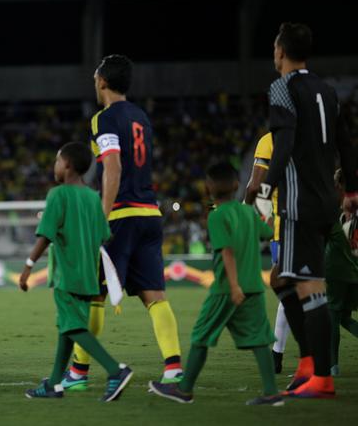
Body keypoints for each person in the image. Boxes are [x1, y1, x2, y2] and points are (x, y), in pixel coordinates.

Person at [62, 54, 182, 391]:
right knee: (155, 296)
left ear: (102, 81)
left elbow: (112, 167)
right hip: (149, 214)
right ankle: (174, 369)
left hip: (122, 216)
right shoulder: (142, 117)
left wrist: (101, 219)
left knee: (93, 296)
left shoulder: (104, 119)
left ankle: (78, 374)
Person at [256, 22, 358, 398]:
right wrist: (351, 189)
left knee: (308, 286)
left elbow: (283, 142)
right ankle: (306, 366)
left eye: (274, 48)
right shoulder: (328, 90)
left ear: (281, 51)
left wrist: (267, 186)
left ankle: (320, 377)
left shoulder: (282, 87)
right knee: (282, 279)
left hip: (299, 202)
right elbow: (346, 142)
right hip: (327, 201)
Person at [149, 162, 281, 406]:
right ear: (235, 185)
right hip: (253, 286)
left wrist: (233, 286)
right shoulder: (247, 213)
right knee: (260, 339)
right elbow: (267, 232)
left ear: (208, 188)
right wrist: (269, 212)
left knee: (200, 335)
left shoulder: (217, 216)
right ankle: (272, 392)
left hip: (226, 289)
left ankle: (185, 390)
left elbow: (227, 251)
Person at [19, 142, 133, 402]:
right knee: (67, 329)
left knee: (72, 327)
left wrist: (27, 266)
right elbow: (105, 235)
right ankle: (54, 384)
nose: (54, 166)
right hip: (88, 276)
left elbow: (46, 235)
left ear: (67, 165)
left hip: (66, 275)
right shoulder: (93, 197)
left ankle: (116, 370)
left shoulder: (58, 195)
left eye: (57, 161)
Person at [245, 132, 289, 373]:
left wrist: (242, 211)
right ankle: (320, 360)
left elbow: (255, 186)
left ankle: (278, 355)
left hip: (285, 228)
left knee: (286, 288)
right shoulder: (314, 135)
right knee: (314, 292)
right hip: (317, 224)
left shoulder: (270, 140)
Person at [326, 169, 358, 376]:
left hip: (340, 273)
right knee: (344, 317)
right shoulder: (344, 215)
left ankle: (332, 366)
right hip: (350, 273)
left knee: (332, 316)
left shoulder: (341, 215)